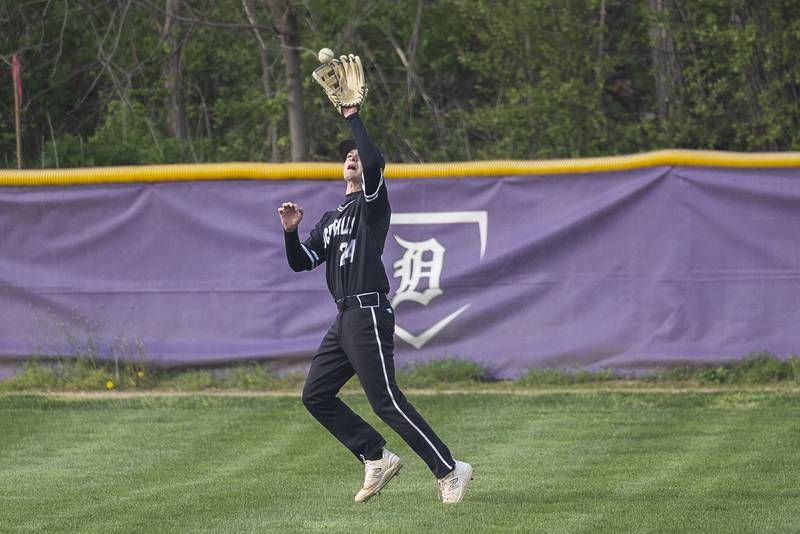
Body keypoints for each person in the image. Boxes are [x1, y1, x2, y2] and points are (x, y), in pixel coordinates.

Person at [278, 106, 472, 503]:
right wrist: (291, 234)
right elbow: (301, 262)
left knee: (385, 399)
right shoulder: (331, 218)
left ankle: (450, 469)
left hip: (368, 311)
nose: (351, 157)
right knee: (315, 395)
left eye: (356, 154)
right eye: (346, 155)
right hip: (344, 318)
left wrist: (353, 118)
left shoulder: (372, 205)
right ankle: (374, 455)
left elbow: (376, 161)